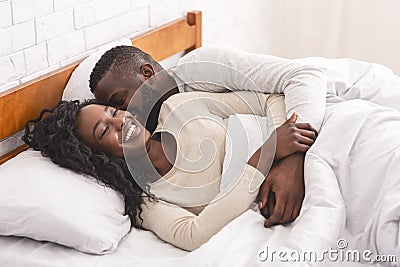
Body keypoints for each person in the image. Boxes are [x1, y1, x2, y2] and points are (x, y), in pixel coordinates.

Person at [23, 90, 318, 251]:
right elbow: (192, 235)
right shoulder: (148, 202)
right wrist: (263, 157)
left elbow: (273, 98)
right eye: (105, 131)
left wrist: (287, 162)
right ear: (100, 158)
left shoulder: (179, 107)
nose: (120, 123)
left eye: (113, 112)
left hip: (315, 150)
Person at [89, 45, 327, 227]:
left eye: (120, 102)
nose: (124, 115)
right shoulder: (152, 138)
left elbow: (303, 75)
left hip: (311, 109)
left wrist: (290, 163)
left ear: (148, 74)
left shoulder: (200, 68)